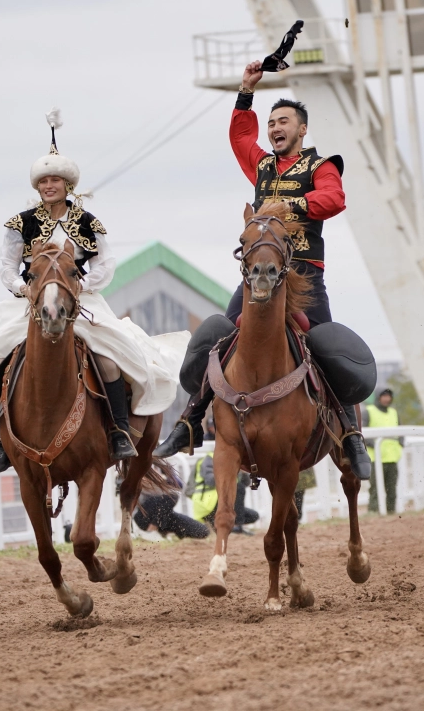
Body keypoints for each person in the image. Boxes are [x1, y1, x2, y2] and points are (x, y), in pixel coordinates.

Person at [155, 64, 372, 480]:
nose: (275, 128)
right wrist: (245, 91)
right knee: (222, 334)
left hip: (304, 276)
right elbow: (240, 137)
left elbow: (334, 198)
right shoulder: (262, 166)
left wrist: (290, 207)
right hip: (257, 277)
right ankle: (189, 422)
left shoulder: (321, 166)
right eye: (271, 123)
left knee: (324, 346)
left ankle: (350, 436)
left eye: (283, 121)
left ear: (302, 129)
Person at [0, 109, 186, 474]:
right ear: (37, 186)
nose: (49, 186)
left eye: (55, 180)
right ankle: (2, 442)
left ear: (66, 184)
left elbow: (106, 262)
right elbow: (7, 265)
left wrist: (83, 285)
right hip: (31, 301)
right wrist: (23, 287)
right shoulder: (19, 223)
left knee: (109, 358)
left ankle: (118, 429)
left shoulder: (87, 222)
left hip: (81, 299)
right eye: (44, 181)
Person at [133, 461, 210, 540]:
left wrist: (163, 478)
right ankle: (151, 530)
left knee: (202, 531)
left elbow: (179, 485)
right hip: (143, 513)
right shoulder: (135, 465)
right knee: (171, 497)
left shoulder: (162, 465)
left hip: (163, 512)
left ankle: (164, 533)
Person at [365, 389, 401, 514]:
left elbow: (401, 431)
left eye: (389, 396)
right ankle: (373, 510)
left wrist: (401, 444)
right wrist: (373, 445)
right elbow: (363, 432)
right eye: (384, 396)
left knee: (391, 488)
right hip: (375, 458)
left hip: (392, 457)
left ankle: (391, 511)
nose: (387, 399)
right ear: (379, 397)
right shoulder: (369, 411)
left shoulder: (394, 412)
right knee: (375, 487)